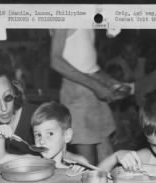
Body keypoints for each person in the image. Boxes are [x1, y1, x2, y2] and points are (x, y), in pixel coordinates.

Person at [50, 28, 124, 165]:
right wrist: (96, 87)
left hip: (92, 87)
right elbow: (56, 61)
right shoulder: (65, 12)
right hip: (76, 91)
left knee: (107, 154)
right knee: (87, 162)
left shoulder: (87, 17)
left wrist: (107, 81)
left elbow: (86, 66)